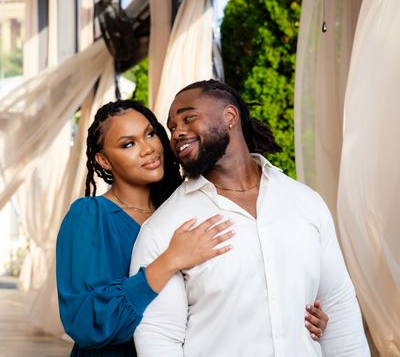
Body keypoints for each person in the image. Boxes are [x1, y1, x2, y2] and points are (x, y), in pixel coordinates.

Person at [56, 99, 328, 357]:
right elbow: (83, 321)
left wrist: (297, 315)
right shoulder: (89, 216)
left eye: (150, 134)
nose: (148, 148)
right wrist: (170, 260)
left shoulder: (183, 208)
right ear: (104, 160)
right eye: (128, 144)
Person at [130, 80, 368, 356]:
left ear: (230, 116)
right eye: (172, 128)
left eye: (188, 118)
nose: (177, 133)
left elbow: (338, 306)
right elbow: (158, 337)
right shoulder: (165, 228)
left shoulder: (304, 202)